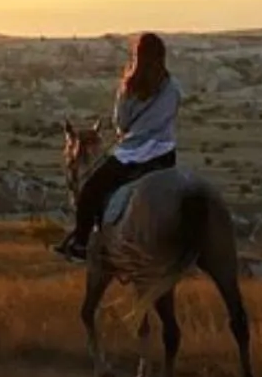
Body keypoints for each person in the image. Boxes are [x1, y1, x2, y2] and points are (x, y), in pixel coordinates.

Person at [57, 33, 182, 263]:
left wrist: (133, 132)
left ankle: (81, 244)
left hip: (133, 155)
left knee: (90, 192)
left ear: (137, 57)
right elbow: (172, 116)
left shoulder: (129, 87)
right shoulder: (174, 87)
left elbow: (121, 123)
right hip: (165, 156)